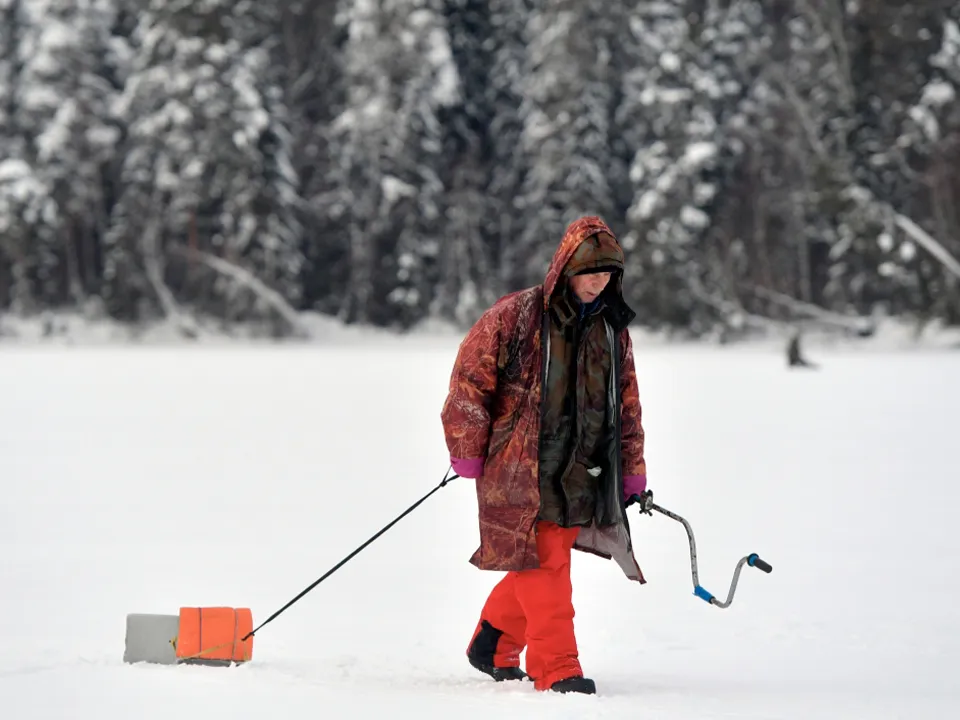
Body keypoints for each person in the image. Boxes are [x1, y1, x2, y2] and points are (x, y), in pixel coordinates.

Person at [440, 215, 649, 695]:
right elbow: (469, 383)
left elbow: (627, 404)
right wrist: (466, 449)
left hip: (583, 468)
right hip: (521, 466)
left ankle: (492, 643)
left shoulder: (611, 329)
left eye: (608, 273)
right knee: (545, 563)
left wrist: (632, 469)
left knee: (543, 558)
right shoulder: (515, 315)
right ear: (565, 267)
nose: (598, 281)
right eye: (590, 271)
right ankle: (556, 667)